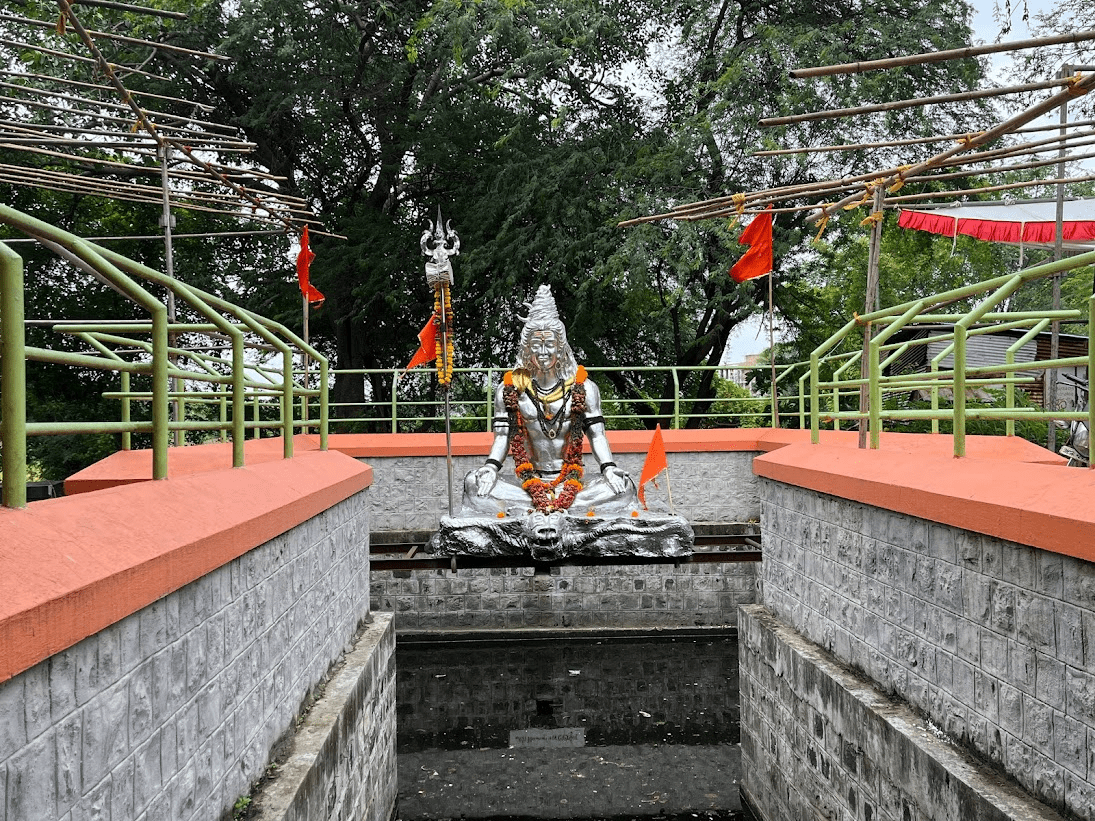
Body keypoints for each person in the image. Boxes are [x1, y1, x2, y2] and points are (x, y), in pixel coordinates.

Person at [460, 285, 639, 517]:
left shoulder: (584, 388)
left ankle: (536, 511)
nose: (542, 351)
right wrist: (491, 468)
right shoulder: (510, 390)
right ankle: (552, 510)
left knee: (624, 487)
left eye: (549, 344)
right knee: (473, 483)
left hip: (571, 481)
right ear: (527, 348)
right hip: (525, 483)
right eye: (536, 344)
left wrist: (609, 468)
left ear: (561, 348)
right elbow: (502, 437)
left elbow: (597, 435)